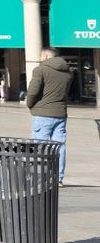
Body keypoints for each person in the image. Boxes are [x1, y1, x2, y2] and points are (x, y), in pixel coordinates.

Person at [26, 47, 72, 185]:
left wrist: (30, 104)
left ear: (46, 56)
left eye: (41, 55)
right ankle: (58, 178)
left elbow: (33, 91)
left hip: (43, 113)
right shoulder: (68, 72)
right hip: (60, 112)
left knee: (40, 145)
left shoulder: (40, 70)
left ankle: (41, 178)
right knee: (60, 146)